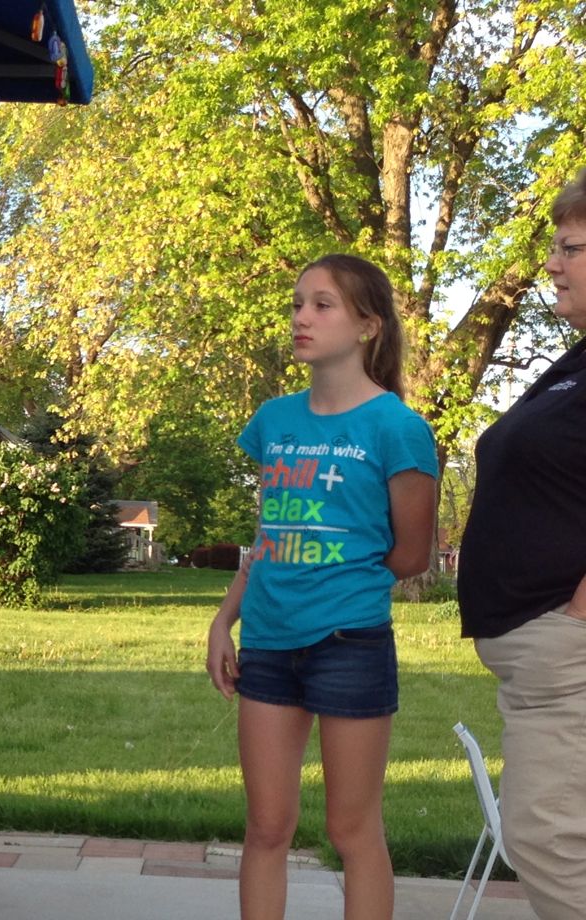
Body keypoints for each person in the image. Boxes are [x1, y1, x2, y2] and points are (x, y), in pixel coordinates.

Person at [206, 254, 438, 920]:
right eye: (297, 304)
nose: (302, 318)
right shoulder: (275, 420)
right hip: (270, 648)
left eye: (322, 305)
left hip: (350, 645)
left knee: (352, 832)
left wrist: (339, 583)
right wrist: (226, 620)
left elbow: (412, 554)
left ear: (368, 325)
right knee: (266, 827)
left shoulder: (398, 427)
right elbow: (269, 535)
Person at [457, 168, 586, 920]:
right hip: (547, 659)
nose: (550, 264)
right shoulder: (573, 366)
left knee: (545, 838)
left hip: (566, 659)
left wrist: (575, 623)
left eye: (569, 247)